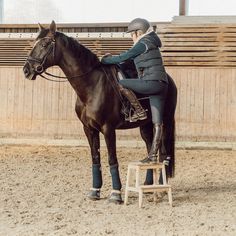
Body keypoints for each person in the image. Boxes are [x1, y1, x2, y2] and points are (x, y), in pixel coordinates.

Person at [101, 18, 168, 163]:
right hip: (162, 85)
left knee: (121, 83)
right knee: (157, 123)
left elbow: (125, 56)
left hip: (150, 83)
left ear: (138, 32)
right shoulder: (152, 43)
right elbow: (130, 61)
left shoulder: (142, 43)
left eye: (132, 34)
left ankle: (138, 111)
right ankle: (153, 155)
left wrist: (106, 60)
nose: (131, 37)